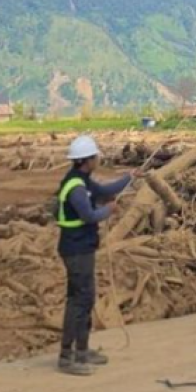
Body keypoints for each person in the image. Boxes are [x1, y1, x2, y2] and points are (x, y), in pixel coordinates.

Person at [56, 135, 140, 376]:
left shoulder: (83, 180)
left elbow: (105, 190)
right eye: (95, 156)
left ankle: (82, 350)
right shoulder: (76, 187)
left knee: (87, 298)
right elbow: (89, 215)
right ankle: (67, 356)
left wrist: (129, 178)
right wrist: (108, 210)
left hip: (83, 248)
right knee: (79, 301)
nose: (98, 159)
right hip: (75, 249)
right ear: (87, 160)